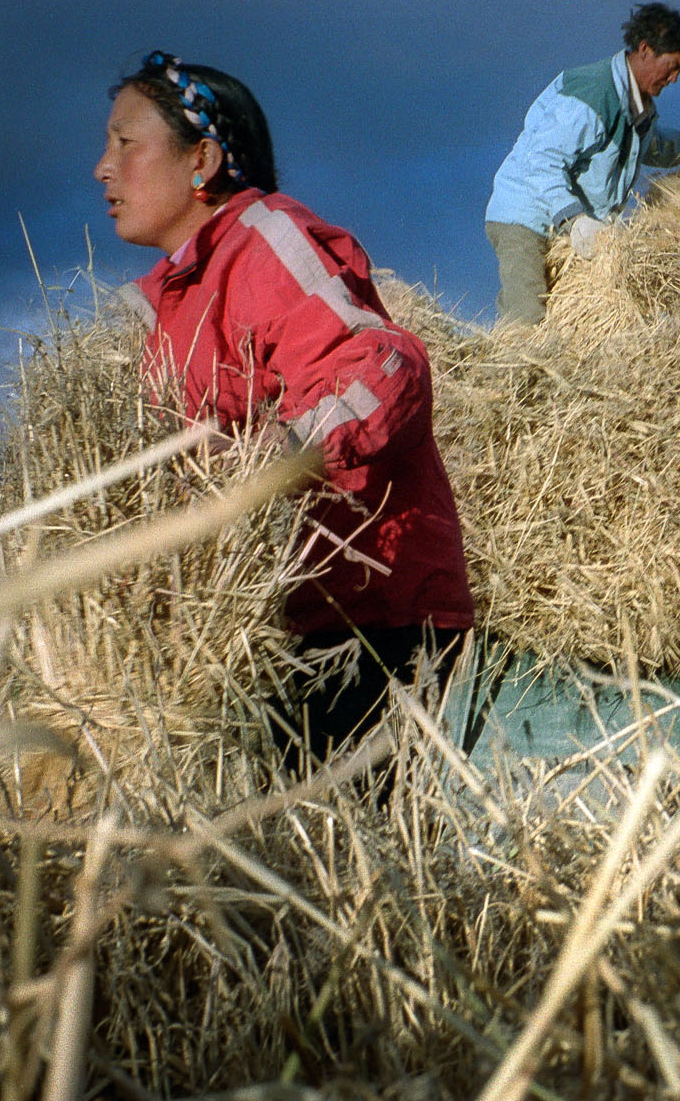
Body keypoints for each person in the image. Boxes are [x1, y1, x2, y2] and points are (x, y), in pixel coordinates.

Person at [96, 51, 477, 783]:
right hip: (275, 629)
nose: (102, 169)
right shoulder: (174, 301)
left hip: (371, 623)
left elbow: (382, 363)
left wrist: (276, 460)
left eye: (124, 142)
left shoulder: (264, 239)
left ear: (202, 158)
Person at [485, 2, 680, 325]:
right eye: (673, 66)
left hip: (569, 229)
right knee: (527, 317)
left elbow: (654, 146)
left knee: (572, 325)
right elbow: (541, 161)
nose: (675, 78)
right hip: (526, 216)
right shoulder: (595, 94)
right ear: (645, 49)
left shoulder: (637, 108)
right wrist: (575, 220)